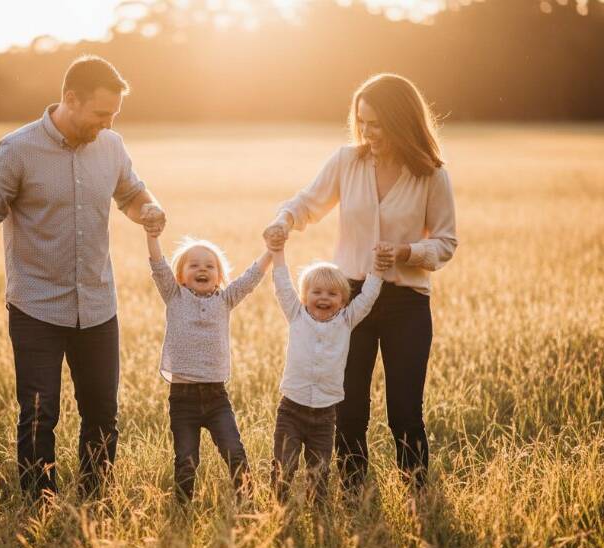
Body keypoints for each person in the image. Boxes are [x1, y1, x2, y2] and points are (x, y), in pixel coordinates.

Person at [0, 56, 166, 501]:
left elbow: (130, 193)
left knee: (103, 414)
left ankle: (94, 502)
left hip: (97, 305)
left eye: (113, 115)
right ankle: (39, 503)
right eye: (99, 113)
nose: (106, 123)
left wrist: (148, 209)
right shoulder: (17, 149)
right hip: (36, 307)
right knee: (38, 413)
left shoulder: (111, 145)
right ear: (70, 99)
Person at [263, 73, 457, 491]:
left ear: (403, 121)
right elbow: (306, 203)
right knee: (349, 408)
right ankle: (354, 493)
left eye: (377, 124)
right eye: (362, 122)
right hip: (348, 302)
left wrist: (407, 252)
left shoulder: (431, 174)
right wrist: (283, 221)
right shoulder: (346, 162)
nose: (367, 133)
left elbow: (445, 243)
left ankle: (417, 496)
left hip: (407, 302)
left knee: (404, 409)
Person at [145, 217, 271, 503]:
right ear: (181, 275)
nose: (202, 269)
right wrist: (152, 235)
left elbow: (250, 279)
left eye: (209, 266)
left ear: (219, 276)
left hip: (217, 397)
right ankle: (182, 508)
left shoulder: (225, 300)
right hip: (183, 398)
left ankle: (248, 504)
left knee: (234, 452)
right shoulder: (174, 296)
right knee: (186, 460)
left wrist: (271, 252)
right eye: (194, 265)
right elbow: (158, 266)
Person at [269, 241, 382, 503]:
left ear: (343, 301)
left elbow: (367, 297)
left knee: (319, 473)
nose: (323, 298)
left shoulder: (346, 321)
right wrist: (277, 252)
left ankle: (319, 517)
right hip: (291, 409)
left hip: (325, 414)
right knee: (283, 466)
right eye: (316, 292)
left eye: (332, 294)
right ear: (304, 297)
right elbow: (282, 286)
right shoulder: (297, 315)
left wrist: (377, 270)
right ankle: (277, 509)